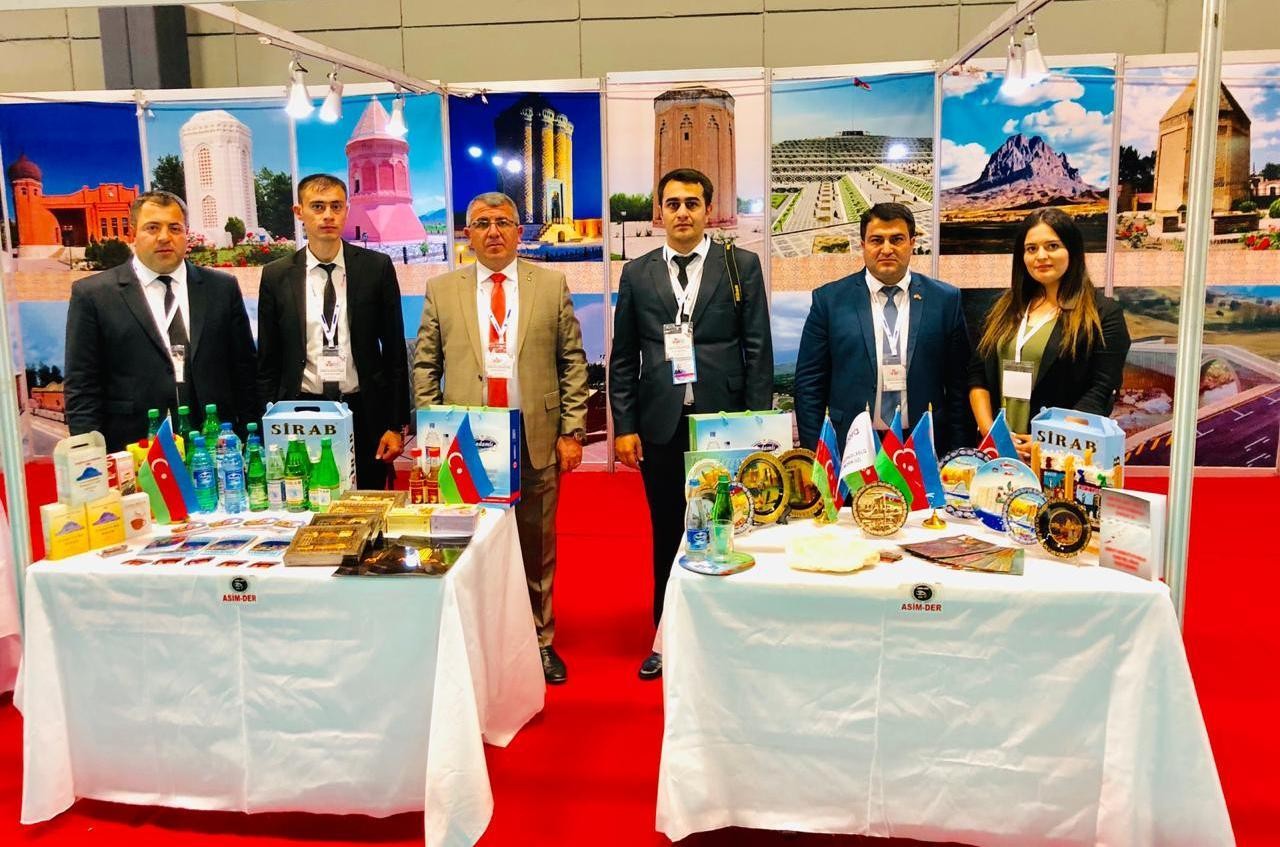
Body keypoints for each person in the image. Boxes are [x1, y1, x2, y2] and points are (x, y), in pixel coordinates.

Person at [413, 191, 589, 685]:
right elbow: (425, 365)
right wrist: (433, 432)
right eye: (482, 223)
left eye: (504, 222)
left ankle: (539, 640)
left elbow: (572, 363)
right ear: (467, 234)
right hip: (464, 443)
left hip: (534, 436)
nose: (493, 232)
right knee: (466, 543)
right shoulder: (442, 289)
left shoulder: (550, 285)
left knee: (536, 545)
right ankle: (470, 638)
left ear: (518, 231)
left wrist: (572, 430)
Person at [609, 167, 773, 681]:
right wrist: (625, 425)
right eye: (673, 204)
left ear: (708, 210)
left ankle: (726, 634)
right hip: (660, 424)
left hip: (723, 423)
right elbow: (623, 357)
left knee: (729, 526)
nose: (682, 213)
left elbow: (758, 349)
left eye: (692, 204)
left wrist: (756, 424)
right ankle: (667, 635)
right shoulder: (637, 273)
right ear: (659, 212)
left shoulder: (740, 265)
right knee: (667, 529)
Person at [65, 191, 257, 452]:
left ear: (186, 233)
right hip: (134, 448)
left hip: (215, 447)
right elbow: (82, 385)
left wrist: (251, 440)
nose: (165, 237)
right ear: (132, 232)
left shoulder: (222, 288)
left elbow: (245, 372)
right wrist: (89, 457)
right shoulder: (94, 295)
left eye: (174, 228)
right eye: (152, 227)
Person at [256, 173, 408, 489]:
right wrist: (267, 422)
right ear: (299, 212)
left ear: (346, 210)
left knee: (367, 501)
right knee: (305, 500)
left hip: (363, 411)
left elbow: (394, 352)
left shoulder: (376, 268)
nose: (328, 215)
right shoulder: (276, 275)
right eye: (318, 206)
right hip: (300, 411)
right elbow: (268, 360)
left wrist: (395, 425)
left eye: (336, 206)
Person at [794, 202, 971, 454]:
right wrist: (817, 453)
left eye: (896, 239)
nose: (887, 249)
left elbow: (959, 387)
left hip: (923, 445)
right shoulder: (829, 301)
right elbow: (809, 385)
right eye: (877, 240)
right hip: (851, 446)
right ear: (863, 245)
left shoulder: (945, 300)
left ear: (912, 243)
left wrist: (959, 454)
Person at [968, 208, 1130, 459]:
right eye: (1031, 249)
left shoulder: (1102, 314)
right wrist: (991, 433)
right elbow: (977, 374)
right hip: (998, 452)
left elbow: (1101, 389)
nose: (1041, 256)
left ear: (1072, 250)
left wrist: (1048, 438)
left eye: (1052, 246)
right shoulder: (1003, 308)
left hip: (1061, 455)